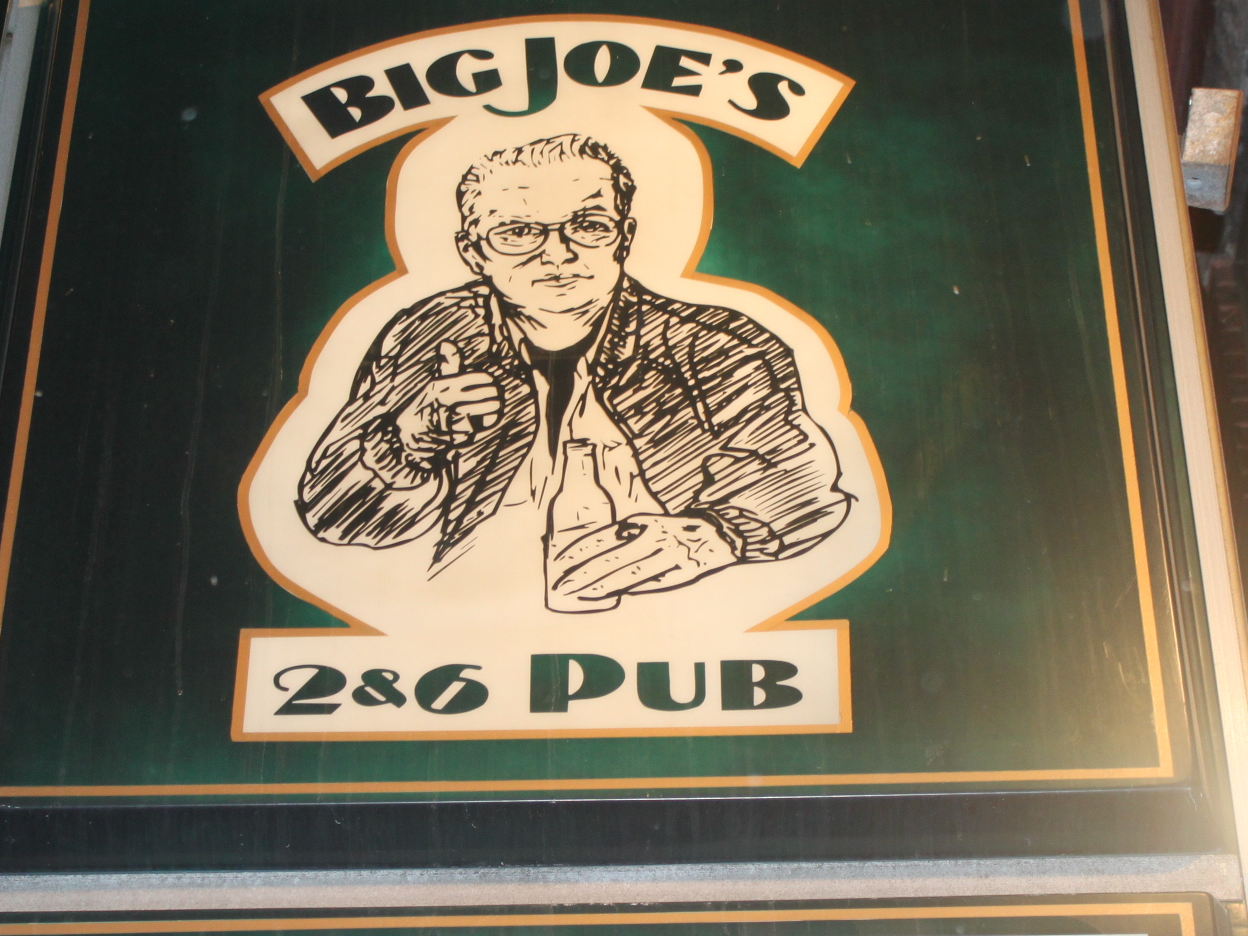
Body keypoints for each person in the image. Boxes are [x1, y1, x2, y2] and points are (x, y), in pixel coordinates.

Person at [297, 132, 851, 607]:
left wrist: (713, 536)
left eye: (588, 225)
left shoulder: (715, 345)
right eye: (518, 233)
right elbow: (333, 519)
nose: (557, 254)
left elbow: (802, 484)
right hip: (465, 612)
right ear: (473, 252)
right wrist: (409, 440)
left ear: (624, 237)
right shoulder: (434, 331)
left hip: (670, 621)